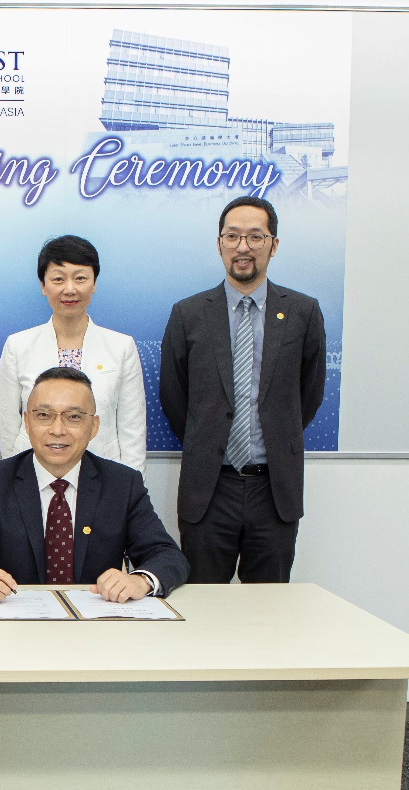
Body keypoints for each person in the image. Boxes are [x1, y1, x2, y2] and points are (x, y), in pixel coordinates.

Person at [160, 196, 326, 584]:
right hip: (209, 488)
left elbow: (309, 394)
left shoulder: (302, 312)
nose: (243, 247)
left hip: (275, 489)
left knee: (268, 607)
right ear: (220, 243)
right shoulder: (189, 313)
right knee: (202, 603)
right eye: (232, 236)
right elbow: (174, 396)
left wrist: (278, 434)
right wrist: (207, 438)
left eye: (255, 236)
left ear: (273, 244)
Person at [0, 367, 188, 604]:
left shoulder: (122, 484)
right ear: (27, 422)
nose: (58, 430)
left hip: (97, 628)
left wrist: (141, 580)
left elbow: (168, 556)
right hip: (16, 625)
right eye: (44, 415)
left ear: (94, 426)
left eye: (74, 417)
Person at [0, 235, 146, 473]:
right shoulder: (18, 346)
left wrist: (132, 487)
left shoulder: (121, 347)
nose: (70, 289)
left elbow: (132, 429)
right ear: (43, 286)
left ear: (94, 284)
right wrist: (16, 478)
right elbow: (7, 424)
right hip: (33, 472)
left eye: (80, 278)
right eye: (58, 279)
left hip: (104, 474)